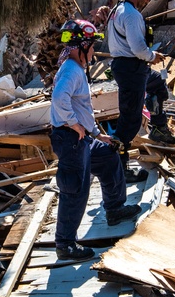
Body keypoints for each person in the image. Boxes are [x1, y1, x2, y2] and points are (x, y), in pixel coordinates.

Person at [50, 19, 142, 260]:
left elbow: (80, 106)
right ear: (81, 45)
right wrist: (73, 124)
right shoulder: (71, 69)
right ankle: (66, 244)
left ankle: (114, 209)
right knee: (76, 189)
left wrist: (94, 133)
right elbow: (60, 99)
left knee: (109, 157)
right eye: (91, 47)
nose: (93, 52)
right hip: (71, 140)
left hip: (81, 139)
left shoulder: (74, 68)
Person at [105, 0, 175, 183]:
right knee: (130, 120)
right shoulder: (131, 14)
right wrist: (152, 56)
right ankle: (120, 167)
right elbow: (138, 49)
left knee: (157, 86)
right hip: (132, 68)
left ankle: (159, 127)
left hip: (130, 67)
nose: (148, 0)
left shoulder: (118, 9)